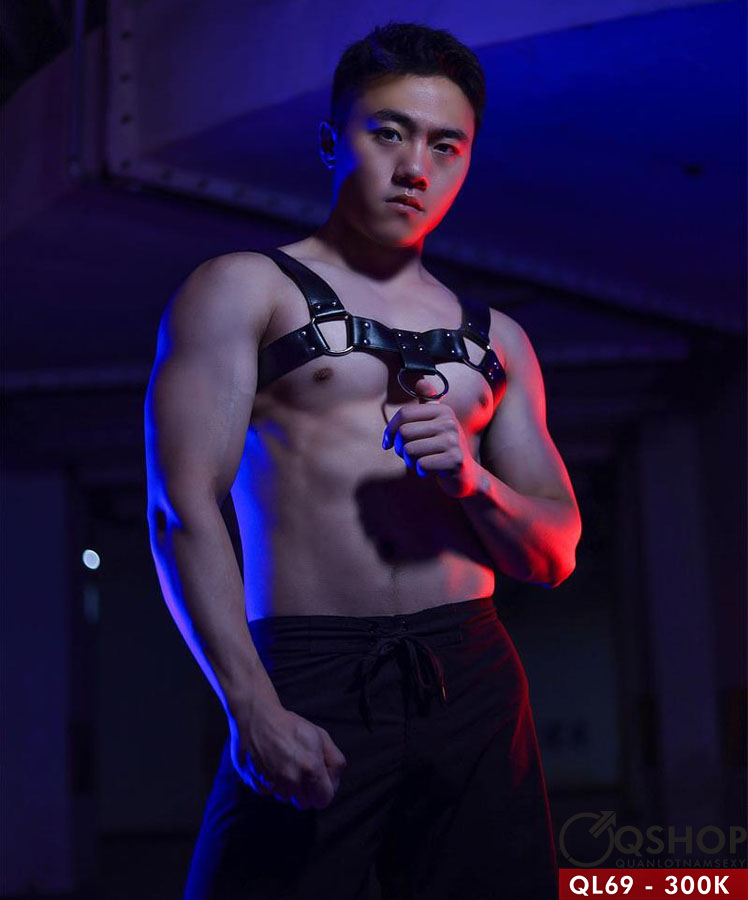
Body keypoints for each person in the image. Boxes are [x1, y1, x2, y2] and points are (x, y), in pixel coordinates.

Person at [145, 20, 581, 900]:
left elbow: (555, 553)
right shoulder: (243, 288)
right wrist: (250, 704)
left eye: (445, 145)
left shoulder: (499, 341)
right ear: (330, 142)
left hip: (472, 673)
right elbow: (180, 507)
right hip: (309, 672)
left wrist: (472, 482)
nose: (416, 166)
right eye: (388, 132)